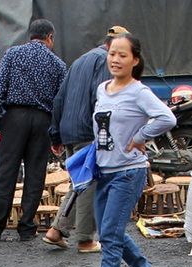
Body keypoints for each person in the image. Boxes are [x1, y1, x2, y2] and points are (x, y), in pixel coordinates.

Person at [78, 33, 174, 267]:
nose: (116, 60)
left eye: (122, 55)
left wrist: (142, 136)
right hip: (103, 170)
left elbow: (167, 118)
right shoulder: (102, 88)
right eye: (112, 54)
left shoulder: (139, 91)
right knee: (110, 228)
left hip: (128, 172)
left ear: (135, 59)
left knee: (109, 232)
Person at [0, 19, 66, 242]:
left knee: (6, 172)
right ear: (49, 38)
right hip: (43, 120)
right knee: (35, 174)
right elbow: (62, 101)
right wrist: (57, 133)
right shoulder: (58, 64)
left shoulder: (13, 54)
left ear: (30, 35)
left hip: (14, 118)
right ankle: (27, 227)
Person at [43, 25, 129, 253]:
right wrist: (105, 134)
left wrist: (56, 133)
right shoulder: (104, 62)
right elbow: (101, 97)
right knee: (90, 183)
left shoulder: (80, 60)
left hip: (70, 129)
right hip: (88, 130)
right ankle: (84, 239)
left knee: (80, 181)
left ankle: (56, 230)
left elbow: (59, 98)